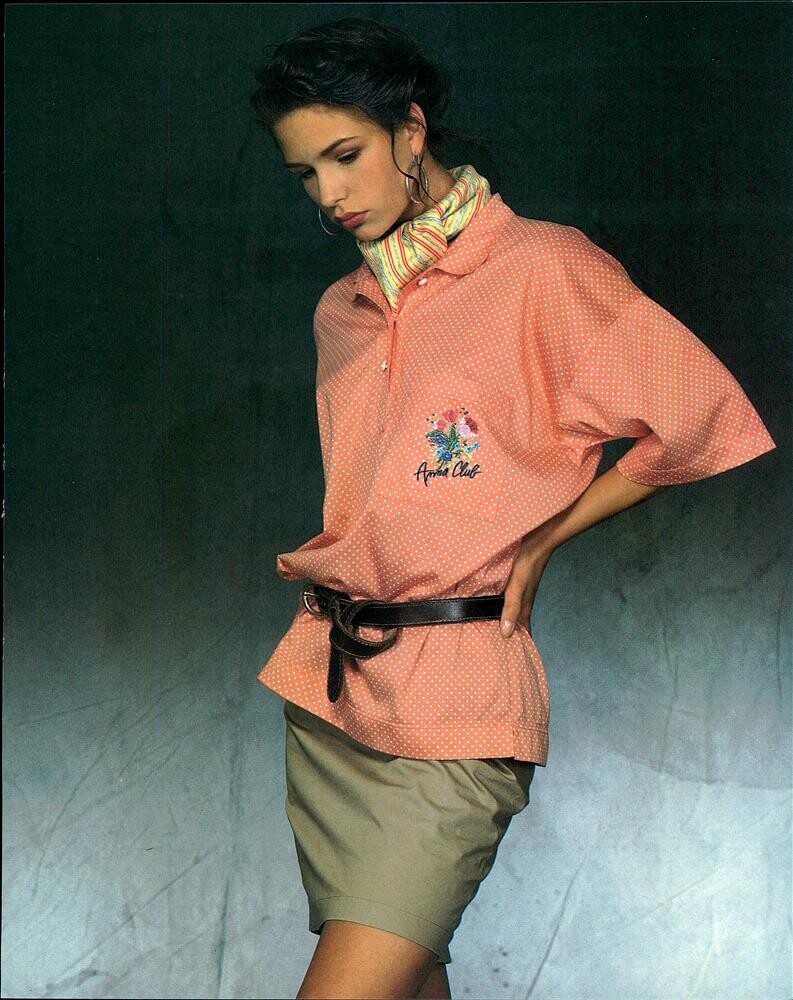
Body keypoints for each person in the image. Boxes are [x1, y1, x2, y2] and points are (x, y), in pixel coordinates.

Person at [249, 17, 777, 1000]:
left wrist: (545, 537)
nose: (326, 194)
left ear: (411, 131)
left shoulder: (541, 268)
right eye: (304, 173)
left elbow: (700, 414)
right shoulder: (342, 311)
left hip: (458, 698)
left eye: (345, 156)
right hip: (330, 697)